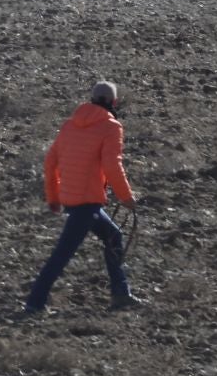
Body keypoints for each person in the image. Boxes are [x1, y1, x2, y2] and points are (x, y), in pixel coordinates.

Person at [22, 80, 144, 315]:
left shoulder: (70, 125)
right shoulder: (111, 127)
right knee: (62, 254)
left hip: (75, 200)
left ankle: (121, 293)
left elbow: (50, 162)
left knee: (113, 236)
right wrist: (126, 197)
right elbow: (112, 164)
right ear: (114, 102)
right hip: (87, 203)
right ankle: (34, 303)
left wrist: (54, 197)